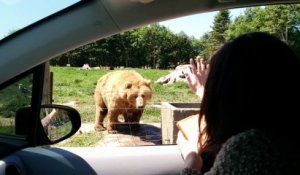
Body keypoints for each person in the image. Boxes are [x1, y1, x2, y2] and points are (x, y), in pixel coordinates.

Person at [178, 32, 300, 175]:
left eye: (217, 85)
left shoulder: (252, 151)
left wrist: (192, 159)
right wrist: (202, 90)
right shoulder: (287, 141)